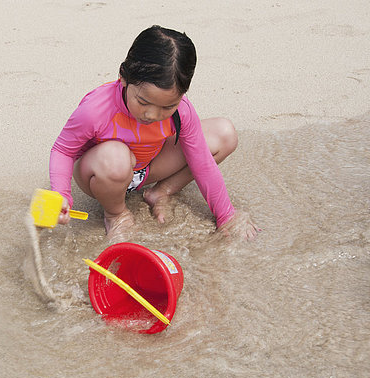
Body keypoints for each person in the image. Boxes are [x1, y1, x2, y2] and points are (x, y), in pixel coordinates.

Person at [49, 25, 259, 241]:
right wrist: (61, 195)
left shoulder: (182, 111)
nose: (152, 114)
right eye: (143, 102)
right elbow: (63, 150)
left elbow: (203, 162)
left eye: (168, 107)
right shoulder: (95, 110)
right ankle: (115, 213)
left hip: (147, 167)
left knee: (224, 134)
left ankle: (161, 192)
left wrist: (226, 215)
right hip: (104, 172)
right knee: (116, 157)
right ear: (123, 77)